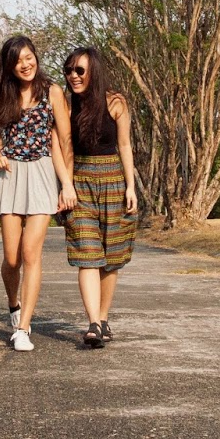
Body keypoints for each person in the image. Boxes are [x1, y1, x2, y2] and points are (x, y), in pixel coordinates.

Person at [0, 35, 76, 352]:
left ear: (35, 56)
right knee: (11, 258)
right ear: (8, 66)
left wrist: (67, 184)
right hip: (9, 176)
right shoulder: (0, 96)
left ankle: (23, 329)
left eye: (28, 57)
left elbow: (64, 141)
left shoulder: (52, 92)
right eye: (17, 61)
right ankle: (14, 304)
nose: (25, 65)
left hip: (42, 174)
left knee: (30, 254)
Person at [61, 47, 138, 348]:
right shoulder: (66, 105)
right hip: (79, 182)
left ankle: (103, 318)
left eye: (80, 70)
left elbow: (125, 145)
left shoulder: (116, 102)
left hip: (113, 180)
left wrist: (130, 187)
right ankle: (93, 322)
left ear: (94, 71)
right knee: (87, 254)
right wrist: (65, 185)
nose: (74, 76)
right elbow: (64, 147)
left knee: (111, 257)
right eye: (69, 70)